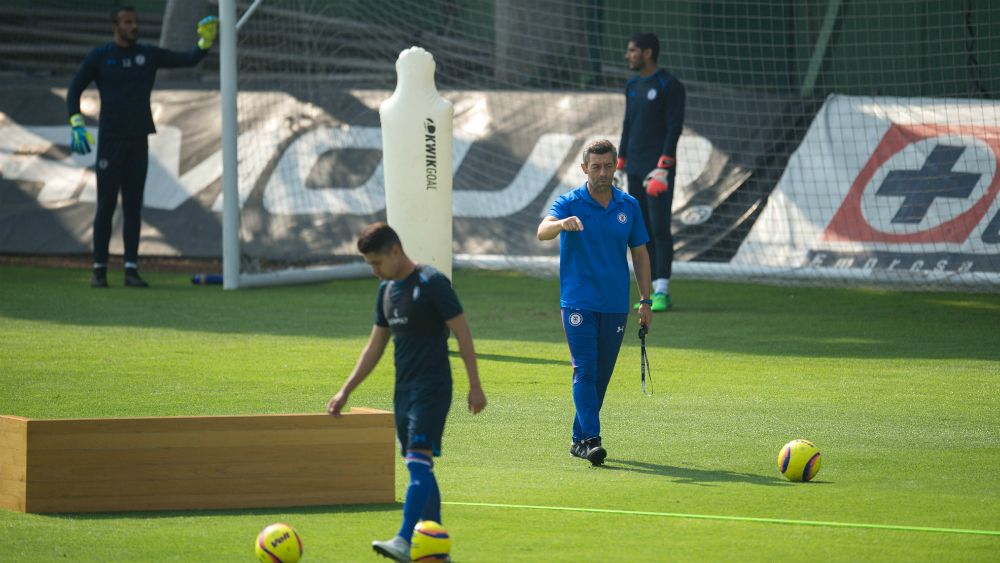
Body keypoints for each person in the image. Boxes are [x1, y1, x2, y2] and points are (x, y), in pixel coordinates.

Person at [327, 222, 487, 562]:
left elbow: (462, 332)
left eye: (376, 263)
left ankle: (403, 538)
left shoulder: (432, 283)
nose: (374, 271)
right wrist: (345, 391)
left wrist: (475, 385)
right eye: (369, 264)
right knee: (421, 467)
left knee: (417, 464)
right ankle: (438, 548)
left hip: (433, 389)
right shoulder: (386, 292)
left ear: (395, 251)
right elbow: (374, 348)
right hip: (403, 393)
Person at [67, 6, 218, 288]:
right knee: (106, 206)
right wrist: (76, 122)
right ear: (116, 26)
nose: (134, 26)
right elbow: (75, 89)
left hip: (138, 140)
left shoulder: (147, 54)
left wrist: (204, 43)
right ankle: (99, 269)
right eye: (128, 22)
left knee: (134, 206)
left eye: (136, 21)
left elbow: (188, 59)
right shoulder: (100, 57)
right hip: (111, 141)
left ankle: (130, 269)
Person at [537, 139, 653, 466]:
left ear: (616, 166)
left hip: (615, 304)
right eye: (596, 166)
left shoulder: (628, 206)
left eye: (608, 166)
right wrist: (561, 224)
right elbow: (542, 231)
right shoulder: (569, 202)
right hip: (578, 303)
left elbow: (641, 254)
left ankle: (578, 440)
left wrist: (646, 300)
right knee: (584, 369)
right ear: (584, 168)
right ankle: (592, 439)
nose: (603, 172)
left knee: (600, 377)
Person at [616, 32, 686, 311]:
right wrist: (619, 161)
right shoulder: (632, 85)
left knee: (659, 228)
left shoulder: (669, 85)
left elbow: (674, 127)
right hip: (634, 168)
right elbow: (628, 124)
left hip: (657, 171)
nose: (627, 55)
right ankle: (647, 291)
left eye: (632, 51)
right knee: (640, 230)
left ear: (647, 53)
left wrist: (664, 166)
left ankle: (662, 290)